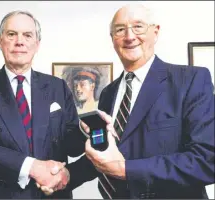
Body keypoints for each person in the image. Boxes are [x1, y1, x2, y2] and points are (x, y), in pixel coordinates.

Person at [44, 3, 214, 199]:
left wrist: (126, 170)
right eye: (120, 30)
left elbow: (206, 161)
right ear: (113, 39)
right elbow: (105, 153)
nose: (129, 36)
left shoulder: (190, 80)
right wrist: (66, 175)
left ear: (155, 32)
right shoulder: (109, 93)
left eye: (138, 26)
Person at [0, 10, 90, 199]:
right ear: (0, 41)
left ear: (37, 44)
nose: (19, 41)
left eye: (27, 35)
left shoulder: (57, 87)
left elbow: (72, 146)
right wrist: (32, 167)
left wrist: (86, 131)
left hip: (50, 193)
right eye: (12, 34)